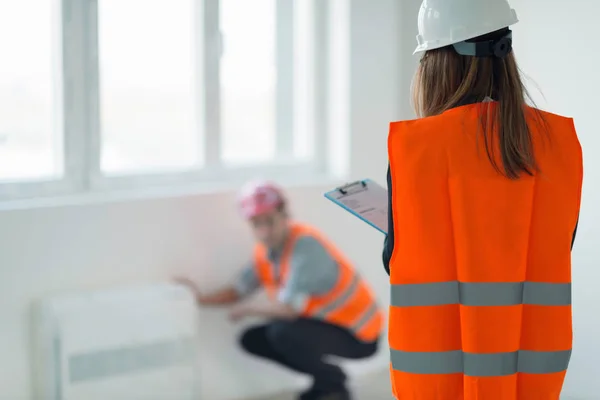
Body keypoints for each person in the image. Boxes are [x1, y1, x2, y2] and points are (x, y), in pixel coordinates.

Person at [382, 0, 583, 399]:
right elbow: (559, 246)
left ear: (436, 63)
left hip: (437, 374)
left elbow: (396, 261)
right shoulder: (559, 144)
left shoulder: (416, 150)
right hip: (531, 373)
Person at [177, 180, 384, 400]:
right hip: (327, 326)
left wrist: (249, 310)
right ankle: (327, 382)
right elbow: (238, 290)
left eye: (269, 221)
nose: (264, 231)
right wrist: (198, 298)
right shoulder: (266, 252)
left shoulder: (306, 246)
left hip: (360, 334)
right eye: (256, 224)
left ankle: (334, 385)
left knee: (282, 333)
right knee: (252, 339)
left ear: (284, 215)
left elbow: (290, 310)